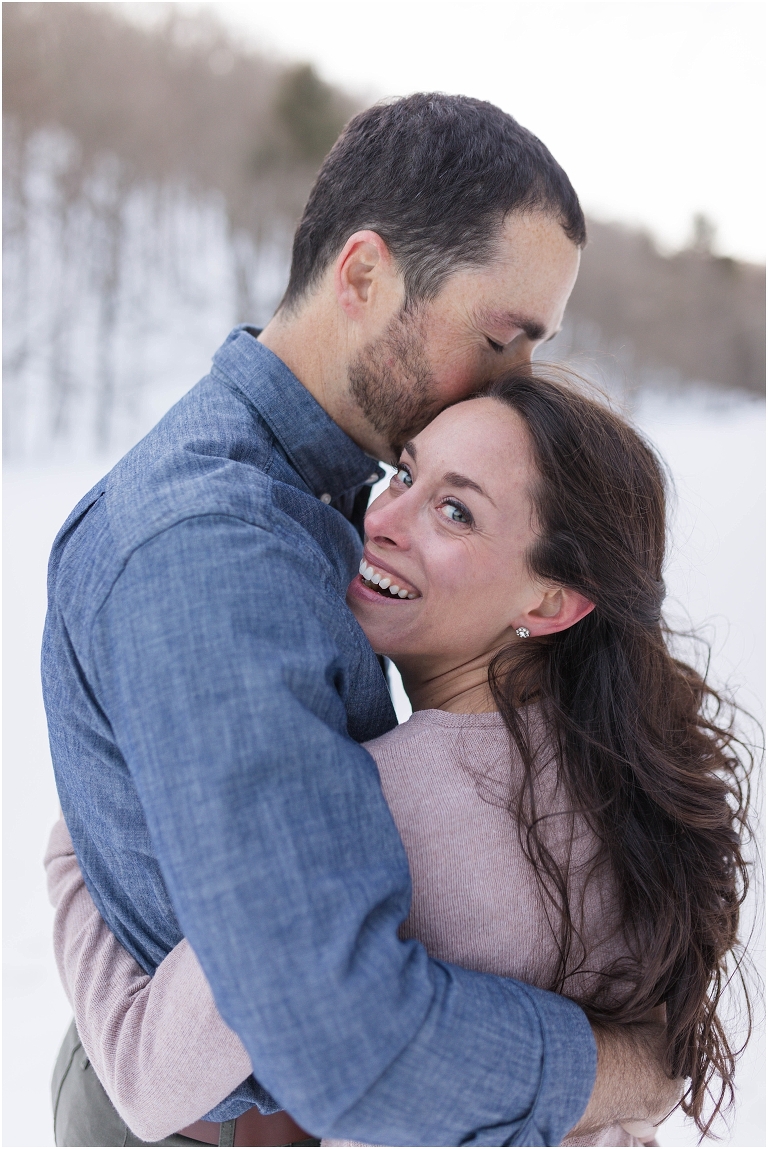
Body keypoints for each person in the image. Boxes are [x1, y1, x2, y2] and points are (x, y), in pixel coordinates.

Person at [42, 94, 681, 1146]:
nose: (515, 383)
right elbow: (344, 1037)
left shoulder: (339, 487)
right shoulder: (215, 550)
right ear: (366, 277)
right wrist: (624, 1068)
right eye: (500, 338)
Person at [46, 374, 751, 1148]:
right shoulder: (614, 773)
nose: (380, 520)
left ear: (551, 602)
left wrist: (77, 839)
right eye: (405, 475)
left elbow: (144, 1074)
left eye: (456, 511)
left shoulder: (398, 802)